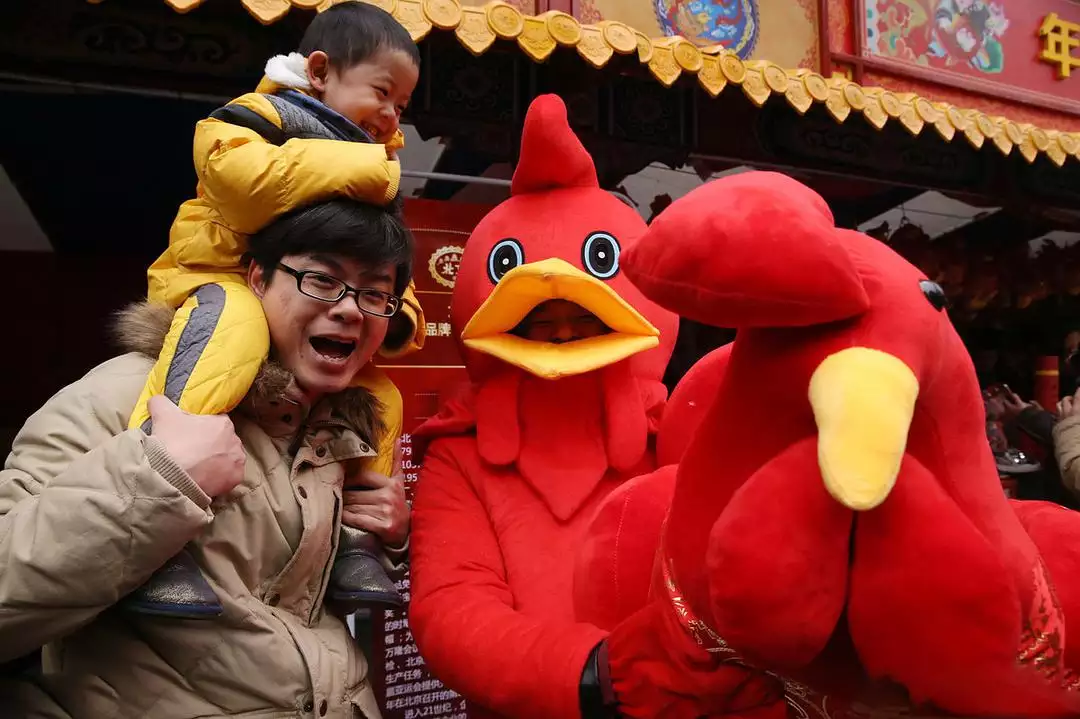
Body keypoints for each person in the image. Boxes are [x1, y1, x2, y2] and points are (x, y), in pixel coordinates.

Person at [0, 198, 412, 718]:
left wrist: (384, 539)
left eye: (375, 293)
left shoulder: (342, 430)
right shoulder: (127, 394)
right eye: (322, 281)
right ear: (257, 279)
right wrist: (159, 479)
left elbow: (292, 603)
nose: (351, 308)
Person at [126, 0, 423, 617]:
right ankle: (156, 493)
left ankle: (355, 542)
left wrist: (399, 310)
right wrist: (370, 167)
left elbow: (378, 258)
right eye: (383, 93)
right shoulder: (260, 118)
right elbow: (243, 185)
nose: (393, 115)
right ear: (319, 71)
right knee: (230, 336)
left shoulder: (375, 168)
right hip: (218, 278)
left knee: (383, 398)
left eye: (402, 105)